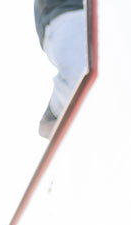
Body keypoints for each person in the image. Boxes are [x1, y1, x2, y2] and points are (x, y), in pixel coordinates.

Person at [34, 1, 88, 140]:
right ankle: (55, 111)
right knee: (80, 78)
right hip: (65, 12)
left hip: (98, 12)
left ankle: (56, 108)